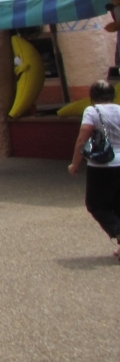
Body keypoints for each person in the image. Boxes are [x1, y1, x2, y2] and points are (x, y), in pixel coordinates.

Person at [68, 80, 120, 257]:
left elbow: (82, 140)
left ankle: (118, 231)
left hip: (101, 165)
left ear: (92, 96)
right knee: (117, 204)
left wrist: (75, 163)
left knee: (95, 204)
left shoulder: (92, 111)